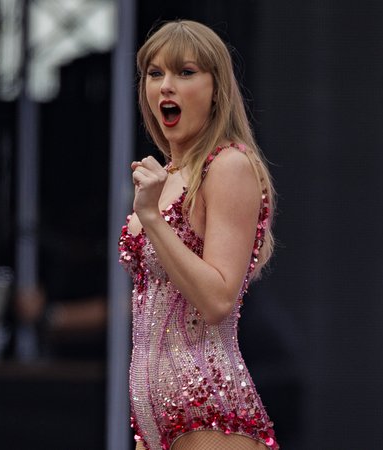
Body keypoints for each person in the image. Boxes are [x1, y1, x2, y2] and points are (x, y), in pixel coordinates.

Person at [118, 20, 279, 450]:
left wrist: (151, 217)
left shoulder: (228, 166)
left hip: (211, 412)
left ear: (216, 89)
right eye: (155, 74)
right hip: (154, 422)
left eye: (185, 73)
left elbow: (217, 300)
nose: (166, 86)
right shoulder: (165, 176)